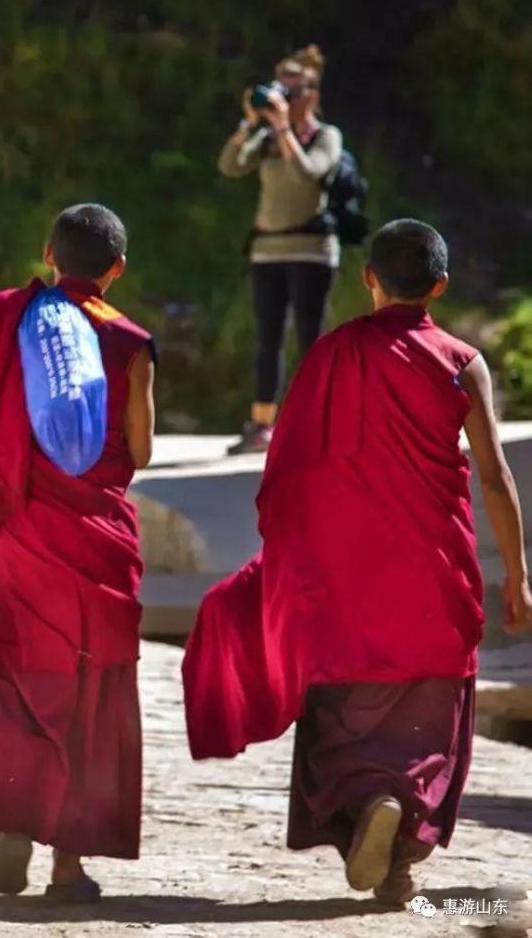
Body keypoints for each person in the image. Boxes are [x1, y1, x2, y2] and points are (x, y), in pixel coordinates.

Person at [183, 219, 531, 903]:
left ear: (368, 279)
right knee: (429, 716)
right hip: (434, 575)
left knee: (341, 712)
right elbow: (494, 476)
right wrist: (519, 575)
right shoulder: (463, 362)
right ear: (441, 286)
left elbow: (289, 468)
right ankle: (398, 846)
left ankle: (371, 808)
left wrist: (290, 558)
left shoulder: (330, 355)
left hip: (344, 582)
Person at [0, 204, 156, 902]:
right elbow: (141, 451)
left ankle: (12, 821)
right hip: (94, 543)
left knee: (17, 677)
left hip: (12, 533)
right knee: (90, 689)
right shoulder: (131, 343)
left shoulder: (0, 320)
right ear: (116, 270)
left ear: (48, 254)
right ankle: (67, 864)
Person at [218, 45, 343, 455]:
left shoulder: (325, 136)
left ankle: (314, 422)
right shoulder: (269, 137)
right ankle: (261, 425)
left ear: (311, 94)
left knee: (310, 337)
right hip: (268, 251)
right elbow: (231, 165)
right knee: (268, 338)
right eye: (280, 90)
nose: (283, 99)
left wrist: (286, 129)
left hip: (311, 251)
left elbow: (309, 173)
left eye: (292, 91)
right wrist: (250, 123)